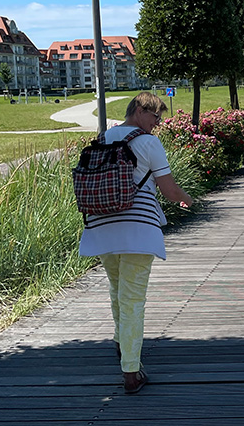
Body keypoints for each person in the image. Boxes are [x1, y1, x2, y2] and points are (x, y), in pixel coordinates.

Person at [78, 92, 193, 395]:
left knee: (117, 290)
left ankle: (120, 341)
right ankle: (131, 370)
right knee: (132, 299)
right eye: (156, 117)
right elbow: (168, 189)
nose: (158, 124)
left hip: (100, 225)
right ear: (140, 110)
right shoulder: (148, 143)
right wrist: (187, 199)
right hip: (138, 229)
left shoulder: (103, 138)